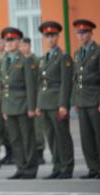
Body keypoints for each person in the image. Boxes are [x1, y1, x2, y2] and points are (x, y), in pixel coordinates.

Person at [36, 21, 74, 179]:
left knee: (62, 136)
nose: (50, 39)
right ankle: (57, 166)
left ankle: (67, 167)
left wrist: (64, 104)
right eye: (47, 36)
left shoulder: (63, 57)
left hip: (57, 102)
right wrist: (39, 104)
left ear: (58, 37)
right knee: (51, 137)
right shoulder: (43, 58)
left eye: (53, 36)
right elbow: (40, 82)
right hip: (45, 103)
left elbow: (66, 83)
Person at [0, 28, 38, 179]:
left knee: (27, 138)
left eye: (12, 40)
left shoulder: (25, 60)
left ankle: (30, 168)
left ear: (19, 42)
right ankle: (21, 167)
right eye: (7, 40)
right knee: (14, 139)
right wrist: (4, 107)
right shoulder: (5, 60)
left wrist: (31, 107)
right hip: (9, 105)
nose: (8, 43)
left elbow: (31, 86)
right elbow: (3, 86)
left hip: (23, 104)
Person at [72, 19, 100, 179]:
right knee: (86, 137)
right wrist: (75, 100)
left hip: (95, 100)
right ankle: (93, 168)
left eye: (84, 33)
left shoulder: (97, 52)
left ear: (91, 33)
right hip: (82, 101)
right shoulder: (77, 54)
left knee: (98, 135)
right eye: (79, 33)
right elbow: (76, 79)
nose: (81, 36)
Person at [20, 37, 45, 165]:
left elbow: (38, 80)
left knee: (38, 127)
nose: (23, 48)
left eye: (25, 46)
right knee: (29, 128)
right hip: (26, 97)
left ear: (29, 46)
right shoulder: (21, 60)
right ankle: (32, 153)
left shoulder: (35, 60)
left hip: (36, 95)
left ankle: (40, 152)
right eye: (21, 46)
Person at [0, 35, 13, 165]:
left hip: (6, 95)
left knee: (8, 128)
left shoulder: (8, 57)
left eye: (1, 42)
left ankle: (11, 153)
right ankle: (0, 154)